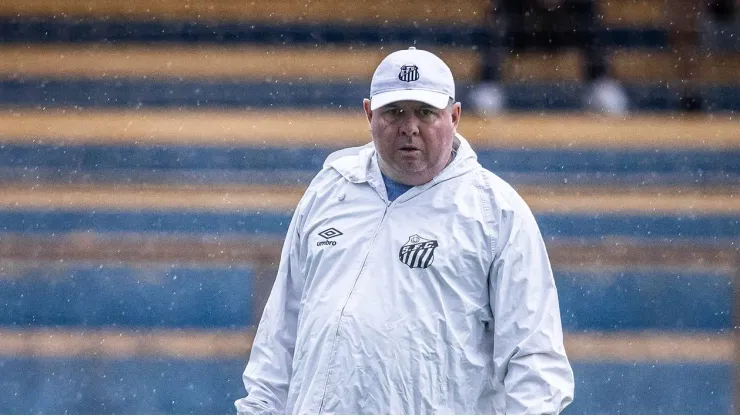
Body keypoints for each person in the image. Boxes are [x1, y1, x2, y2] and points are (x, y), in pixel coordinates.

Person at [235, 47, 574, 414]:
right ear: (368, 113)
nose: (409, 126)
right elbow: (281, 333)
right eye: (394, 112)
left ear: (455, 116)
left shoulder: (496, 213)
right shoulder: (330, 190)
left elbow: (536, 362)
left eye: (426, 112)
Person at [470, 0, 629, 115]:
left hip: (566, 30)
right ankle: (488, 84)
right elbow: (495, 31)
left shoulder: (583, 8)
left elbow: (594, 31)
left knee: (590, 25)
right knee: (499, 26)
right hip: (523, 31)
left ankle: (601, 82)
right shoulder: (509, 8)